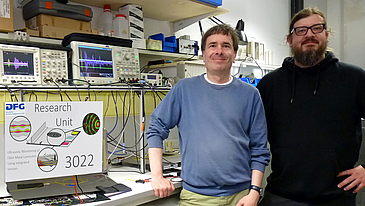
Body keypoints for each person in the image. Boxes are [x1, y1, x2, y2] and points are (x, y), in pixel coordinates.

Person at [146, 24, 270, 206]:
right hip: (197, 198)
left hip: (241, 197)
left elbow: (259, 149)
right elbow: (156, 128)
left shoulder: (251, 94)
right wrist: (156, 176)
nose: (219, 51)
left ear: (235, 55)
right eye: (212, 45)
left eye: (226, 46)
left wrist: (254, 192)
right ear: (203, 55)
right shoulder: (184, 89)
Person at [257, 7, 365, 206]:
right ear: (290, 40)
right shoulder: (270, 84)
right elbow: (249, 136)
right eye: (301, 30)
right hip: (281, 196)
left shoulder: (354, 78)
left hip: (336, 197)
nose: (309, 35)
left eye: (316, 28)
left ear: (326, 35)